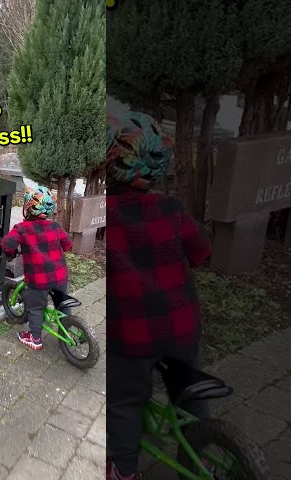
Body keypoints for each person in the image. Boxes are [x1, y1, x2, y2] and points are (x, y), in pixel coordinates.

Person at [105, 111, 213, 480]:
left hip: (131, 337)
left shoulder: (110, 217)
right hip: (181, 326)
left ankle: (124, 469)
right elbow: (200, 251)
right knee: (192, 393)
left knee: (124, 402)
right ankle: (204, 451)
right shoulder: (171, 209)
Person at [1, 185, 73, 350]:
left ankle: (35, 338)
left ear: (28, 207)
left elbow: (7, 244)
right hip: (60, 275)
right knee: (63, 305)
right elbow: (68, 245)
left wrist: (10, 253)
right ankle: (68, 329)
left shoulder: (22, 229)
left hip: (38, 280)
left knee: (35, 308)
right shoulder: (55, 226)